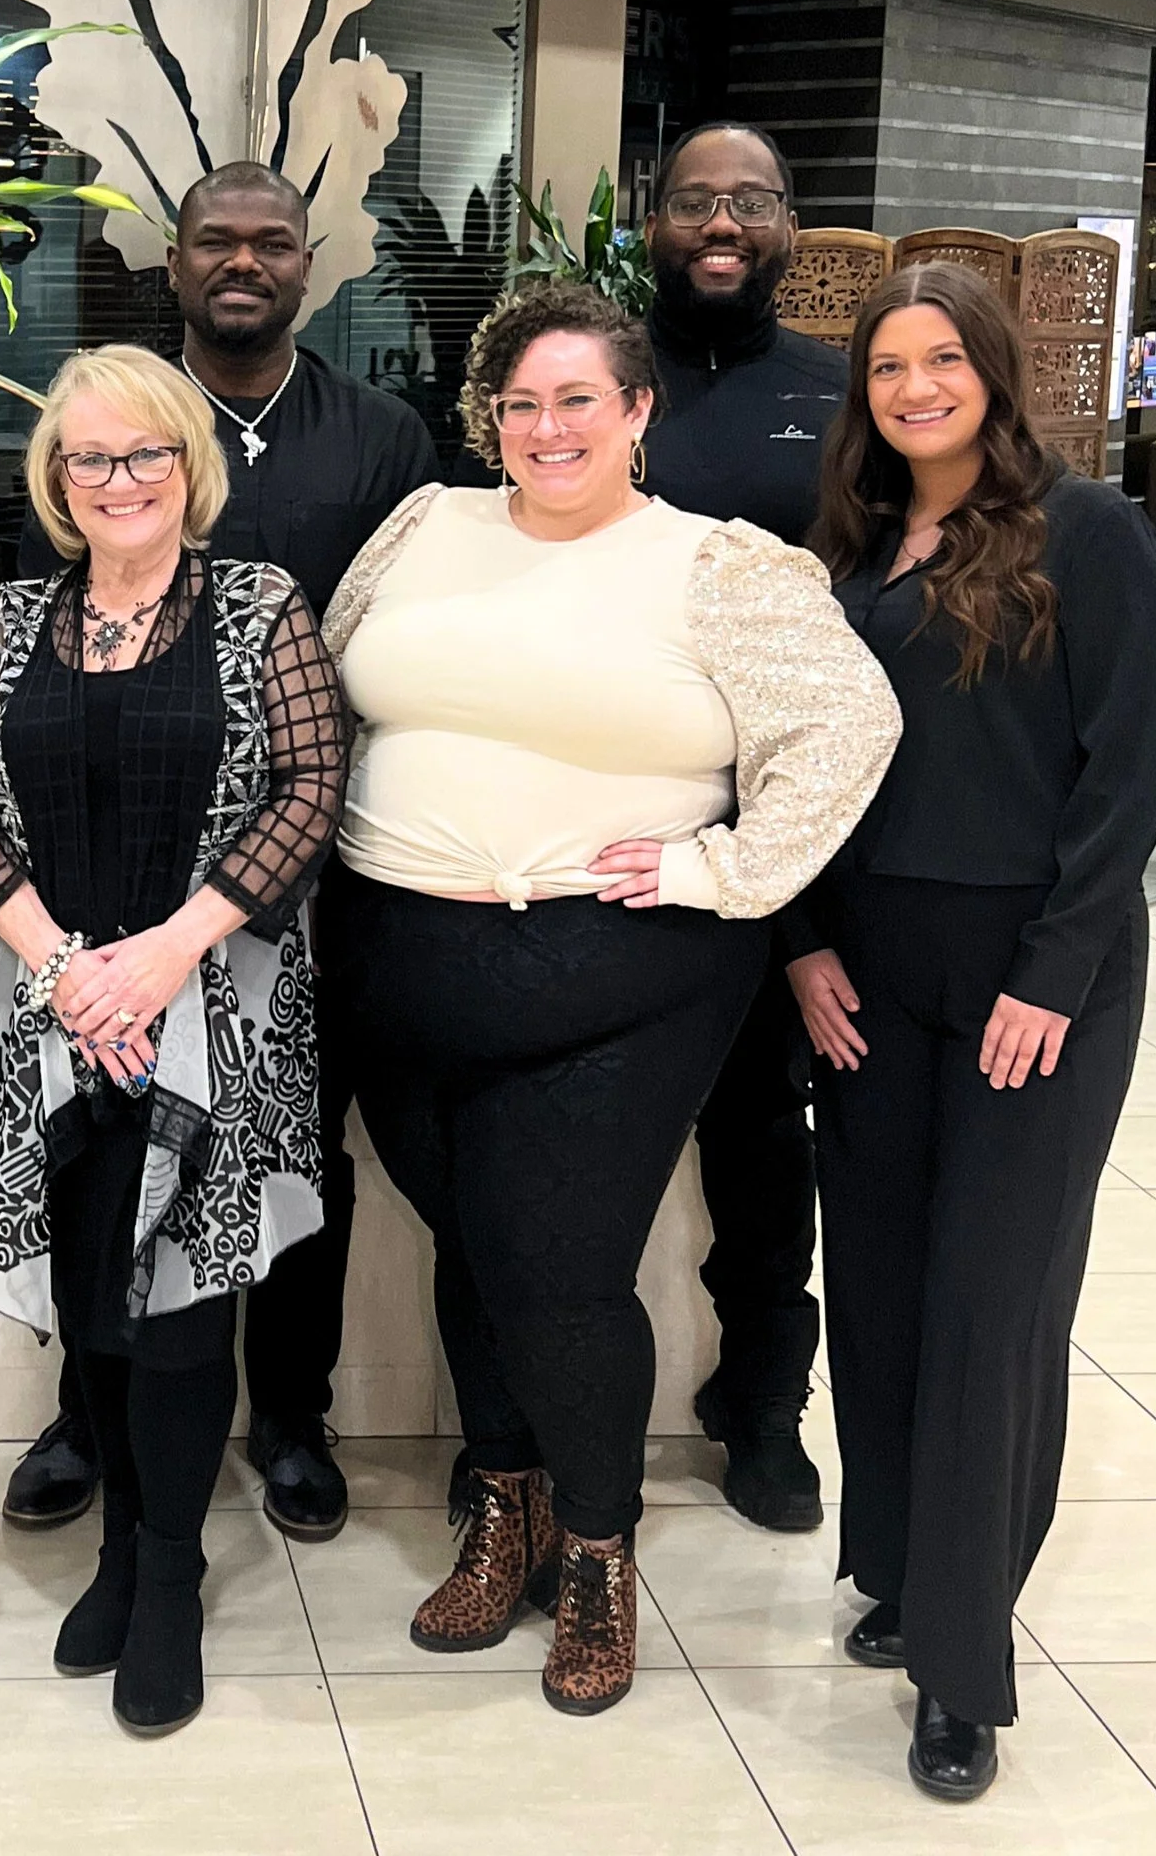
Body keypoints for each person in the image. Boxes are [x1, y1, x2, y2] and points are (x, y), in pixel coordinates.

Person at [320, 282, 896, 1715]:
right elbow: (329, 688)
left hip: (616, 976)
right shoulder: (425, 527)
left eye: (579, 398)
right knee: (471, 1246)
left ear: (637, 410)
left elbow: (850, 721)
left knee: (558, 1267)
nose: (546, 427)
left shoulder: (717, 564)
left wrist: (728, 870)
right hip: (399, 962)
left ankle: (595, 1551)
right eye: (519, 402)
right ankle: (502, 1510)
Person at [3, 160, 441, 1544]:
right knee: (101, 1140)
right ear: (174, 261)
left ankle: (292, 1416)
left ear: (309, 264)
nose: (242, 261)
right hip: (110, 873)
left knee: (292, 1141)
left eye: (271, 241)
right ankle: (89, 1411)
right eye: (215, 241)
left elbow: (411, 641)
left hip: (306, 877)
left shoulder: (382, 438)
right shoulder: (114, 420)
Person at [786, 262, 1156, 1800]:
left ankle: (963, 1669)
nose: (916, 388)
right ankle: (899, 1573)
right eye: (888, 366)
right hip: (870, 972)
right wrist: (803, 942)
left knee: (989, 1306)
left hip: (1036, 972)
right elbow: (799, 758)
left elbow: (1128, 772)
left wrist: (1055, 972)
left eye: (943, 358)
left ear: (996, 371)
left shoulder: (1090, 534)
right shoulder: (851, 541)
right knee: (881, 1288)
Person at [0, 345, 347, 1737]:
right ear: (57, 477)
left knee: (180, 1311)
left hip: (208, 1018)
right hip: (52, 1022)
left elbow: (310, 786)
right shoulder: (8, 619)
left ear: (189, 464)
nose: (119, 479)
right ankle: (118, 1548)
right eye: (89, 457)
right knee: (93, 1306)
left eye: (145, 453)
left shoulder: (259, 605)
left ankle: (170, 1573)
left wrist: (168, 952)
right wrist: (64, 967)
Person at [637, 122, 850, 1529]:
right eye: (696, 201)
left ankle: (765, 1406)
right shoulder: (597, 383)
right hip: (616, 827)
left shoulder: (837, 399)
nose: (723, 224)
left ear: (788, 225)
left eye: (752, 202)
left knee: (766, 1144)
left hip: (783, 846)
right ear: (653, 221)